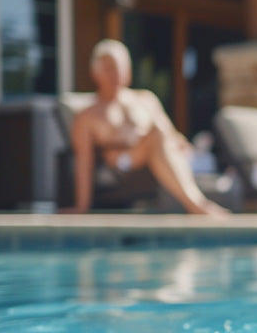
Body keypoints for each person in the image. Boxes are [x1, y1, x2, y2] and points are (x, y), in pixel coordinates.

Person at [67, 39, 228, 215]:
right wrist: (81, 207)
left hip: (159, 157)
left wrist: (181, 144)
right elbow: (84, 162)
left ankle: (196, 203)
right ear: (95, 72)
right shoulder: (87, 116)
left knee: (164, 135)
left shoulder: (146, 99)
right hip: (123, 164)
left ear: (128, 70)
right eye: (109, 67)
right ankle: (197, 205)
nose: (116, 73)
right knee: (156, 133)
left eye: (120, 66)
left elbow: (170, 134)